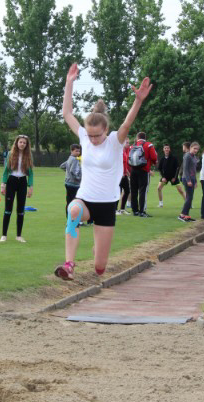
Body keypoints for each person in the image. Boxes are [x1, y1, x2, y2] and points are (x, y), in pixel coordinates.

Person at [55, 63, 151, 280]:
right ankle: (69, 265)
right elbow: (67, 113)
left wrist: (138, 100)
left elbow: (127, 123)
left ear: (106, 130)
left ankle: (98, 252)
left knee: (100, 267)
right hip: (85, 199)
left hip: (107, 204)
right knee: (73, 211)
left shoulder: (115, 141)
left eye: (97, 135)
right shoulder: (84, 138)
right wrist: (69, 83)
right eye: (89, 136)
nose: (92, 139)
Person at [0, 135, 34, 243]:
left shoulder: (28, 156)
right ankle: (4, 235)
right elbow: (6, 171)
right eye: (20, 142)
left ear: (26, 145)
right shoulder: (11, 154)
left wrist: (30, 186)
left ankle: (19, 236)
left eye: (24, 143)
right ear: (17, 143)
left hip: (22, 182)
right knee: (8, 209)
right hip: (11, 181)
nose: (22, 144)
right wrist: (3, 184)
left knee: (20, 210)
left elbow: (31, 173)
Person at [129, 132, 157, 217]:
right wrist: (153, 163)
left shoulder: (132, 146)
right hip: (144, 170)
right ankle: (142, 211)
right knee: (143, 191)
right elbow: (154, 157)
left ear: (137, 137)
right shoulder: (149, 145)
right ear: (145, 137)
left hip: (133, 170)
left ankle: (135, 211)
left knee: (133, 191)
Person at [157, 143, 184, 207]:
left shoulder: (174, 158)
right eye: (165, 148)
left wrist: (175, 177)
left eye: (167, 148)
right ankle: (161, 203)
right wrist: (163, 177)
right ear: (163, 149)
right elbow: (159, 169)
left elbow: (177, 168)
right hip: (165, 177)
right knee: (159, 188)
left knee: (180, 190)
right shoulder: (162, 159)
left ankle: (188, 203)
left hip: (173, 177)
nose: (166, 149)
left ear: (169, 149)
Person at [179, 141, 200, 222]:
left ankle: (186, 215)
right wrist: (188, 180)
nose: (196, 150)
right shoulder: (187, 156)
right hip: (187, 179)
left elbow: (194, 170)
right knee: (189, 198)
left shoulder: (193, 156)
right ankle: (182, 215)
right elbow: (185, 169)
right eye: (194, 148)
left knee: (190, 198)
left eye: (197, 149)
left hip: (192, 179)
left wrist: (195, 181)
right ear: (190, 147)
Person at [60, 144, 82, 216]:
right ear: (71, 151)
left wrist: (68, 173)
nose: (78, 153)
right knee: (75, 202)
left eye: (79, 151)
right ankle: (74, 218)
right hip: (74, 184)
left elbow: (62, 166)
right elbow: (73, 171)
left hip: (68, 183)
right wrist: (79, 178)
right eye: (76, 151)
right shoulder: (75, 159)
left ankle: (68, 217)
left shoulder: (70, 158)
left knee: (69, 201)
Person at [117, 139, 131, 215]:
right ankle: (115, 210)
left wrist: (128, 173)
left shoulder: (125, 152)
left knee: (127, 191)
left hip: (124, 175)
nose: (128, 144)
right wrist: (121, 173)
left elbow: (124, 165)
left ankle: (122, 209)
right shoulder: (119, 152)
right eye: (127, 143)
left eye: (128, 143)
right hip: (119, 176)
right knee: (118, 192)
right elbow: (117, 164)